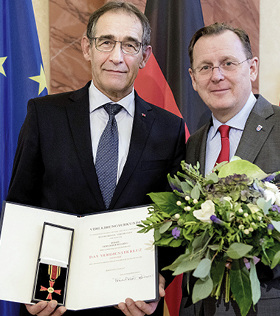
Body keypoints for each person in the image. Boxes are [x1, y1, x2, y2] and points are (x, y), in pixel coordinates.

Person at [6, 2, 185, 316]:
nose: (117, 57)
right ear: (87, 48)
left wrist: (159, 279)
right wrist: (27, 286)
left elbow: (178, 220)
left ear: (145, 55)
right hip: (54, 305)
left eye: (130, 45)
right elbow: (22, 206)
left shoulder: (169, 129)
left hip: (133, 306)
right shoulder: (44, 115)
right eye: (106, 42)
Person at [180, 22, 280, 316]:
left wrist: (263, 252)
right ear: (193, 79)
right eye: (205, 67)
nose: (217, 75)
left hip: (278, 305)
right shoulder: (194, 143)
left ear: (252, 67)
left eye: (228, 63)